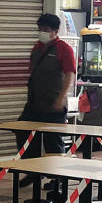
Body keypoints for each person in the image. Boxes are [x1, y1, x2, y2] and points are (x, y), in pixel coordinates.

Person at [18, 12, 77, 180]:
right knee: (23, 132)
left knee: (53, 140)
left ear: (54, 31)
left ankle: (57, 178)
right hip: (35, 102)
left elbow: (69, 75)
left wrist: (61, 98)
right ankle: (33, 170)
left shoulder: (63, 49)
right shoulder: (37, 47)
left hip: (54, 103)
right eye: (40, 28)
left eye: (45, 29)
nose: (41, 32)